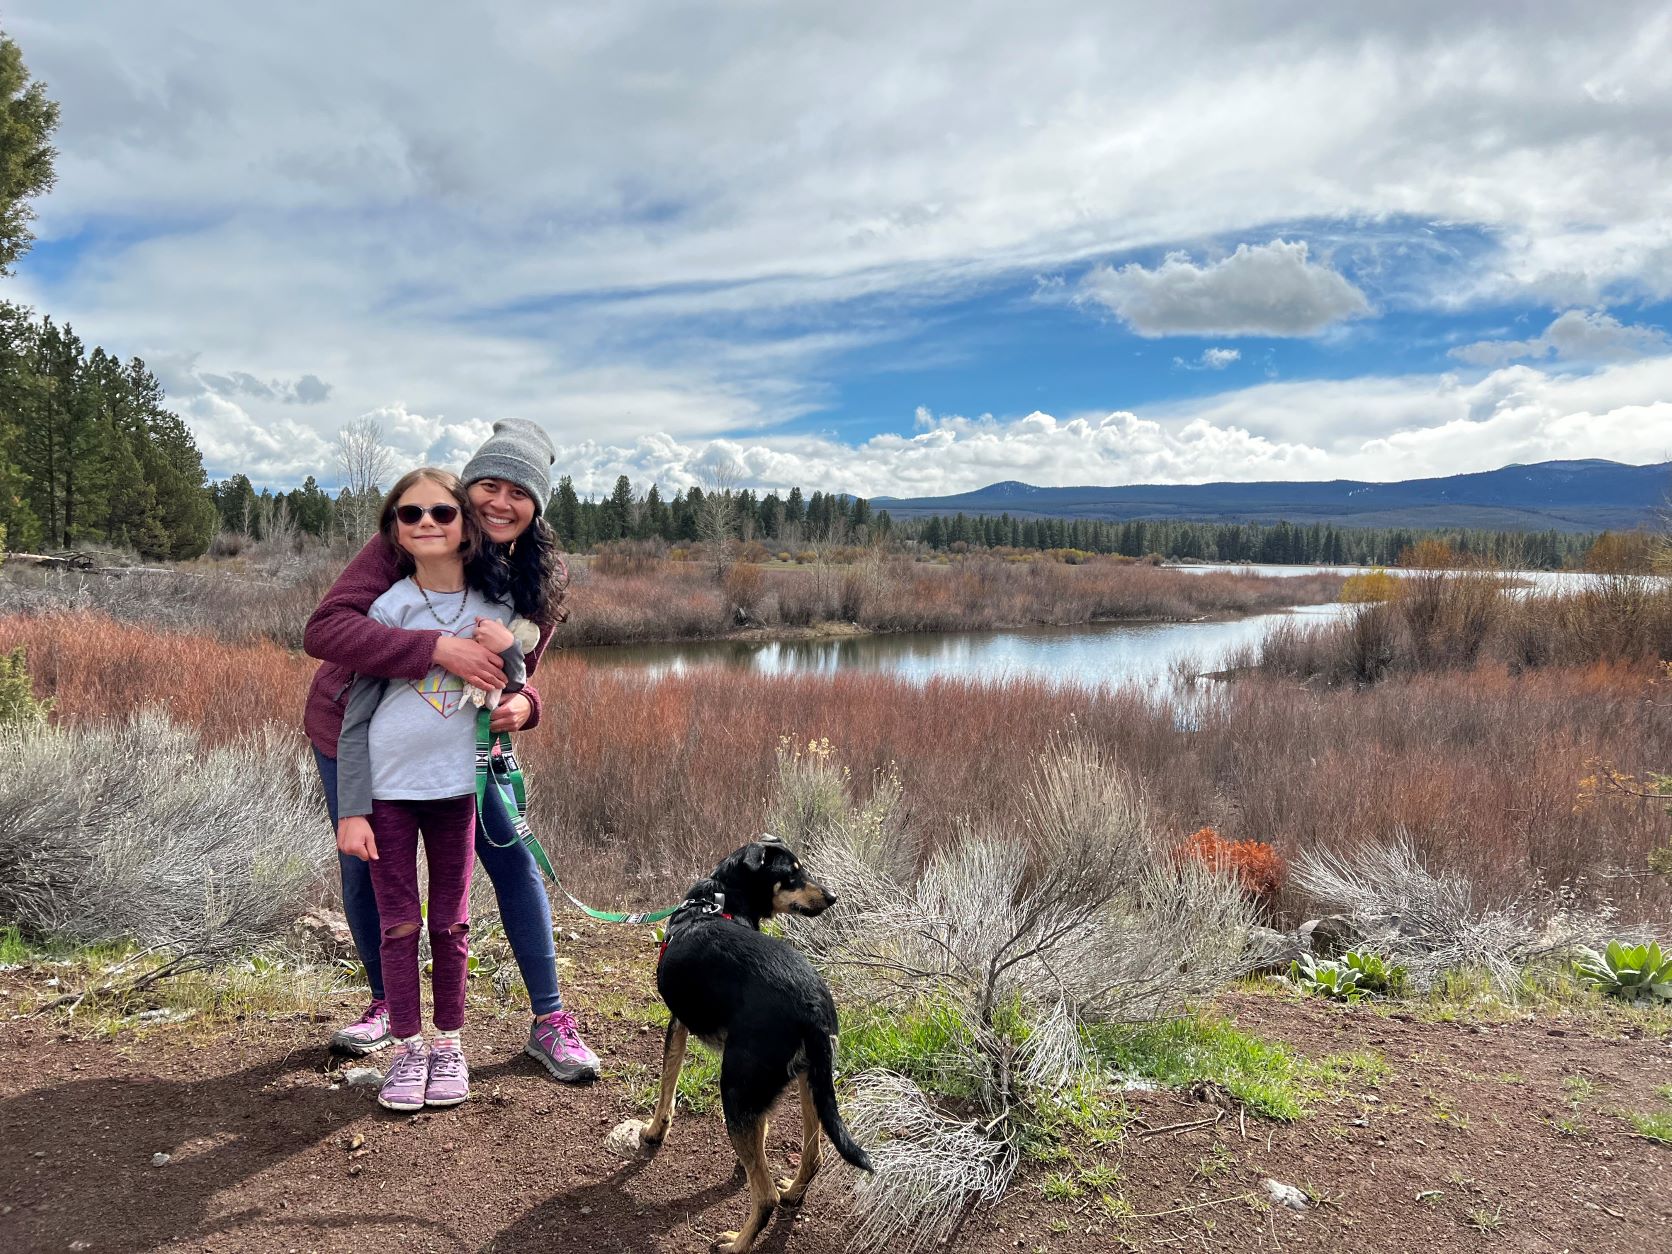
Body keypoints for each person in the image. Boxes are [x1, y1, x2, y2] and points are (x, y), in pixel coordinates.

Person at [303, 419, 600, 1083]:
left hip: (463, 747)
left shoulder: (537, 581)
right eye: (486, 485)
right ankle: (389, 1005)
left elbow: (522, 674)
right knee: (367, 872)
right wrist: (436, 649)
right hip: (353, 734)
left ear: (537, 507)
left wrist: (525, 708)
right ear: (466, 492)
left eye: (517, 492)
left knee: (511, 856)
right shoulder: (413, 533)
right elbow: (324, 630)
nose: (499, 502)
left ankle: (549, 1020)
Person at [332, 467, 516, 1111]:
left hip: (456, 792)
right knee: (399, 923)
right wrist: (352, 809)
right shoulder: (388, 609)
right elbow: (354, 718)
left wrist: (510, 651)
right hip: (386, 794)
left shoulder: (497, 610)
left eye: (442, 512)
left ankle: (449, 1045)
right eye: (411, 515)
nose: (428, 523)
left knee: (453, 922)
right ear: (396, 531)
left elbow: (508, 689)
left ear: (466, 524)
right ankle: (408, 1049)